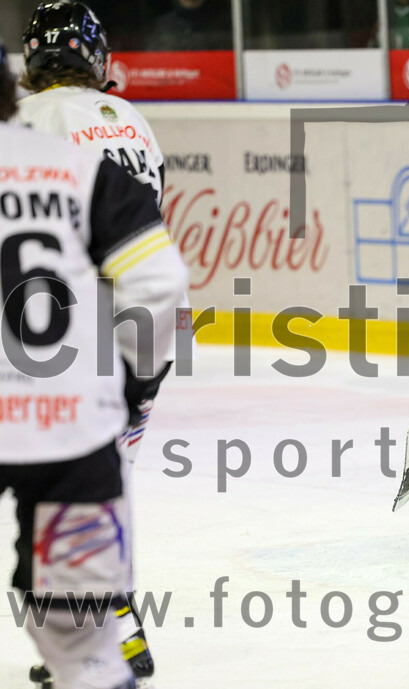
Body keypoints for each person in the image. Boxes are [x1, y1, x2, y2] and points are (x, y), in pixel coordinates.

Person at [0, 33, 189, 689]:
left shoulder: (37, 119)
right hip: (85, 379)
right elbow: (157, 273)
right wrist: (132, 376)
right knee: (85, 527)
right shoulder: (124, 127)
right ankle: (105, 635)